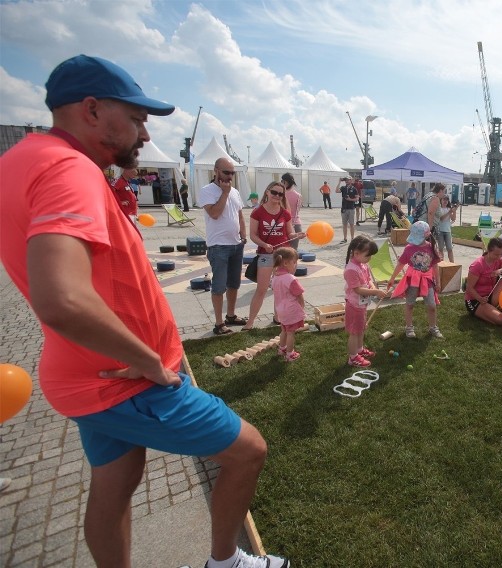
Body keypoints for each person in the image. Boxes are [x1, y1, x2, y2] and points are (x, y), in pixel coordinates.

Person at [0, 54, 290, 568]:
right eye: (134, 118)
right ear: (90, 110)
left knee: (114, 487)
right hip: (127, 378)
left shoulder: (22, 159)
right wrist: (150, 361)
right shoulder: (69, 167)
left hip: (84, 373)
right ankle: (225, 562)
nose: (144, 129)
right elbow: (62, 297)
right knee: (248, 451)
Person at [242, 181, 304, 331]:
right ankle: (250, 322)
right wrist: (264, 244)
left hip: (284, 256)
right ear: (267, 192)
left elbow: (289, 233)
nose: (277, 196)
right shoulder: (257, 212)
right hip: (266, 254)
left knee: (282, 289)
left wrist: (297, 235)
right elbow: (253, 235)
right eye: (274, 192)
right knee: (262, 289)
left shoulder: (285, 213)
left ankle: (278, 317)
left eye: (280, 194)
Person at [200, 157, 248, 335]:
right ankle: (219, 324)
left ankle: (231, 315)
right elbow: (214, 213)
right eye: (226, 172)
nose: (229, 176)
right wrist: (225, 193)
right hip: (218, 246)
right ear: (216, 171)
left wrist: (243, 235)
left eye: (232, 173)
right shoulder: (208, 191)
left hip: (236, 245)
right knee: (219, 286)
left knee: (234, 284)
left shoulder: (235, 191)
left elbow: (240, 215)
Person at [387, 221, 443, 339]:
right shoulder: (409, 248)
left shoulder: (431, 247)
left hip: (427, 280)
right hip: (412, 280)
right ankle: (409, 327)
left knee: (432, 305)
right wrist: (392, 278)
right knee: (410, 304)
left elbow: (435, 266)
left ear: (427, 235)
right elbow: (400, 264)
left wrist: (438, 282)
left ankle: (433, 327)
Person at [343, 236, 386, 367]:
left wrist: (373, 287)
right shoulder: (351, 269)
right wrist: (375, 292)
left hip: (361, 304)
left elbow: (368, 281)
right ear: (356, 253)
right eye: (368, 256)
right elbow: (357, 289)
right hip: (354, 305)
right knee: (355, 332)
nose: (370, 259)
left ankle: (359, 349)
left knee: (361, 329)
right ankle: (353, 357)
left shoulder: (362, 264)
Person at [464, 237, 502, 325]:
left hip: (490, 295)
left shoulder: (499, 260)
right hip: (476, 299)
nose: (499, 257)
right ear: (488, 250)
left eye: (501, 254)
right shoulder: (477, 265)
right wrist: (480, 299)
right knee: (500, 320)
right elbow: (469, 288)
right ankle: (486, 311)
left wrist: (501, 270)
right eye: (496, 254)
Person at [271, 247, 305, 362]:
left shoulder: (275, 277)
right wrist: (302, 308)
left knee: (284, 330)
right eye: (294, 262)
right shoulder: (290, 279)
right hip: (291, 310)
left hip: (280, 310)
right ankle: (290, 354)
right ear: (285, 263)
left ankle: (282, 349)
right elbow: (299, 295)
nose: (295, 265)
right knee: (291, 333)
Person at [281, 173, 302, 249]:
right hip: (296, 224)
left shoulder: (280, 194)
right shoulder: (298, 195)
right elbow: (297, 210)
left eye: (282, 181)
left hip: (283, 224)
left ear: (285, 182)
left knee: (282, 250)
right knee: (293, 251)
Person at [434, 193, 457, 262]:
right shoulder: (439, 209)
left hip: (447, 231)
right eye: (444, 199)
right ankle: (442, 263)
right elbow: (441, 219)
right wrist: (450, 212)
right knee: (440, 248)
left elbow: (453, 219)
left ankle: (452, 263)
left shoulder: (449, 209)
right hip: (440, 231)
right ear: (441, 200)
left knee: (449, 248)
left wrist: (454, 211)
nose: (445, 201)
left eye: (447, 200)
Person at [336, 176, 358, 244]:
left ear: (351, 181)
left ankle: (352, 238)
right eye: (346, 180)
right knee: (344, 224)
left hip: (351, 208)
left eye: (348, 180)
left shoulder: (354, 189)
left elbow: (357, 198)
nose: (347, 181)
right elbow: (336, 191)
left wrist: (350, 199)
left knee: (351, 224)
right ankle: (345, 238)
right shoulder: (343, 188)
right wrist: (339, 182)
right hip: (344, 209)